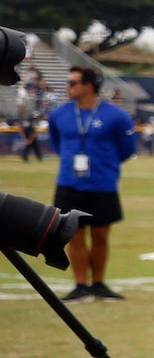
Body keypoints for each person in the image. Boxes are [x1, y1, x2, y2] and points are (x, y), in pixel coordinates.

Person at [45, 67, 133, 300]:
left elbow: (127, 149)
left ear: (89, 86)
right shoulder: (58, 115)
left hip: (102, 185)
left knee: (101, 236)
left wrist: (105, 166)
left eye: (72, 82)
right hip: (68, 184)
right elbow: (56, 143)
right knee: (73, 235)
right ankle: (80, 285)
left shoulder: (115, 115)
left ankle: (99, 283)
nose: (67, 86)